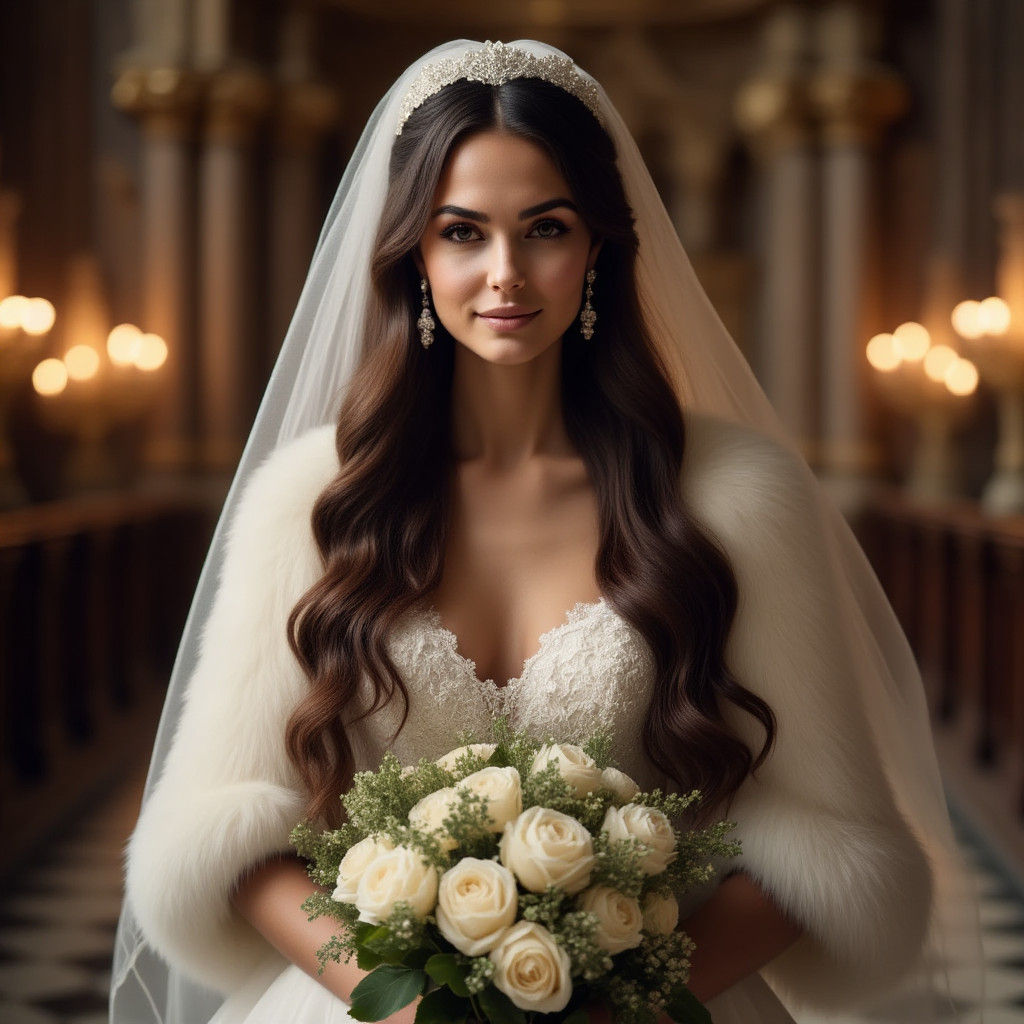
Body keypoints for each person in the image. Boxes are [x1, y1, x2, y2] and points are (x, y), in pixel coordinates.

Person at [110, 38, 983, 1024]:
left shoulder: (735, 497)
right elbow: (221, 831)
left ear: (598, 248)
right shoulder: (310, 500)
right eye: (462, 232)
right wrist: (402, 1004)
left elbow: (832, 842)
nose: (505, 274)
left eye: (546, 228)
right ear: (412, 253)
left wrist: (621, 1003)